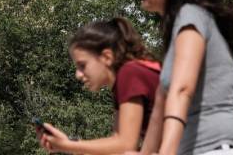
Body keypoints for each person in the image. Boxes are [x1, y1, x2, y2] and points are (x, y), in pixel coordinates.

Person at [134, 0, 233, 155]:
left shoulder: (191, 15)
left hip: (219, 149)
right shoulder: (179, 31)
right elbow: (161, 107)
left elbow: (182, 91)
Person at [37, 17, 161, 154]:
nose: (78, 74)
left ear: (107, 57)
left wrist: (67, 146)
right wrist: (69, 143)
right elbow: (117, 144)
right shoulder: (126, 77)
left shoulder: (129, 73)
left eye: (82, 65)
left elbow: (126, 145)